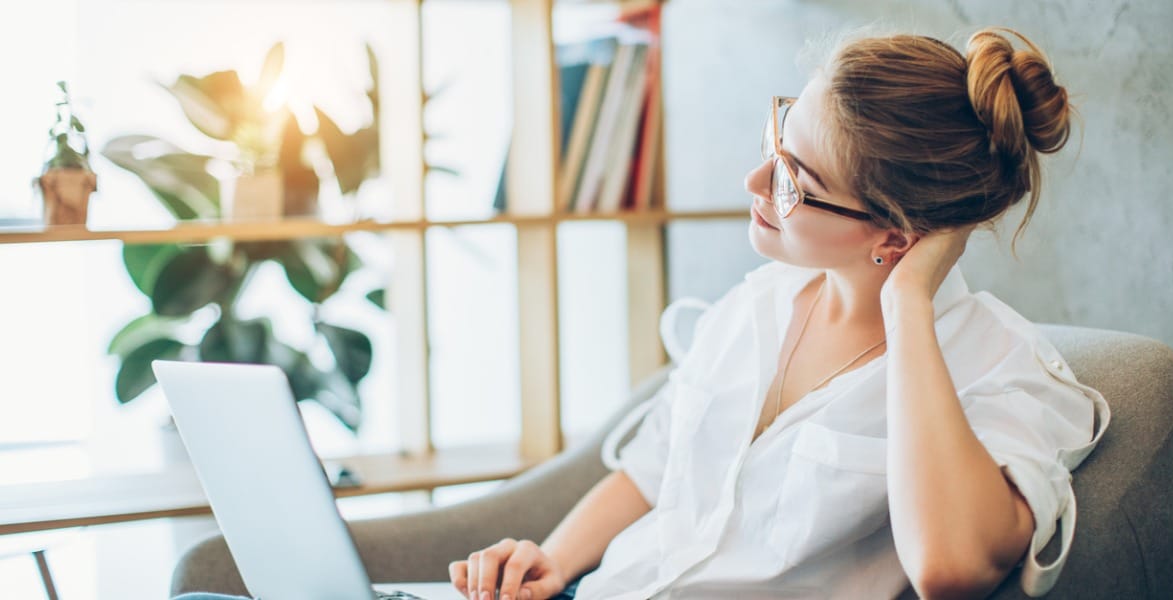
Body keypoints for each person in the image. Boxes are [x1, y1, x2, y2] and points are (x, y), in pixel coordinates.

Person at [173, 25, 1110, 600]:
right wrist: (545, 562)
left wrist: (907, 305)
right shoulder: (757, 305)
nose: (754, 180)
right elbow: (652, 469)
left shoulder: (1006, 375)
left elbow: (949, 568)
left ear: (895, 238)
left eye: (794, 180)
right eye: (777, 135)